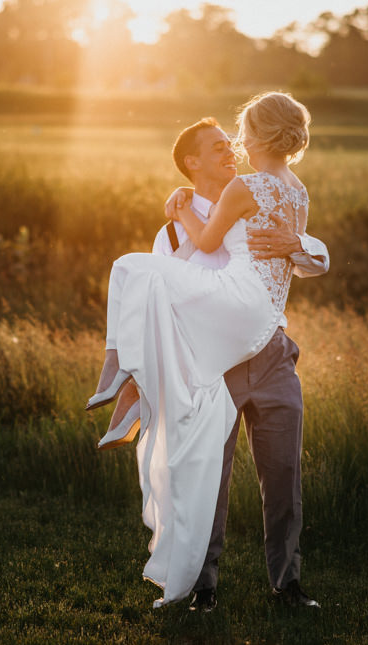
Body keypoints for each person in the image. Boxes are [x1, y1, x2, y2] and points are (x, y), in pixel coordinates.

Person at [87, 92, 327, 608]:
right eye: (217, 146)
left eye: (231, 142)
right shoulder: (173, 230)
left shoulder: (269, 192)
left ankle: (288, 585)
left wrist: (298, 246)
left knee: (283, 472)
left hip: (272, 351)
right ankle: (203, 585)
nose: (230, 151)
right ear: (191, 162)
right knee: (206, 473)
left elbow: (303, 255)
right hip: (213, 365)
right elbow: (170, 297)